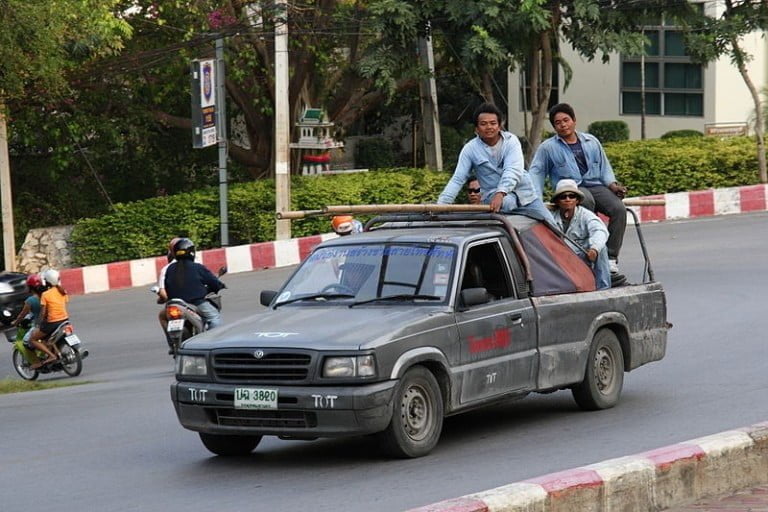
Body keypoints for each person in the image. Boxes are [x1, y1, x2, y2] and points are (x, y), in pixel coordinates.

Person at [529, 103, 627, 274]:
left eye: (566, 120)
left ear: (574, 121)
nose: (563, 125)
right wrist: (535, 198)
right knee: (586, 201)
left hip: (595, 184)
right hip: (570, 188)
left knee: (619, 209)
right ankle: (586, 254)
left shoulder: (591, 141)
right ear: (554, 127)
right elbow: (536, 172)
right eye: (558, 123)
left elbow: (605, 169)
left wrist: (613, 185)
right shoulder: (548, 147)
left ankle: (610, 257)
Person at [437, 103, 552, 221]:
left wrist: (501, 193)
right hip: (493, 198)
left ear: (499, 126)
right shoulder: (470, 149)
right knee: (507, 204)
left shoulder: (511, 141)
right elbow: (457, 179)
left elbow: (512, 170)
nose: (489, 127)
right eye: (483, 124)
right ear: (476, 129)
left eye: (493, 123)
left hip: (525, 195)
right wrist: (441, 206)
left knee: (550, 224)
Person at [550, 180, 611, 290]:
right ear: (558, 201)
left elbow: (600, 230)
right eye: (563, 197)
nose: (567, 199)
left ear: (577, 200)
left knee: (602, 249)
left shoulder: (586, 215)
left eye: (571, 196)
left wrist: (594, 249)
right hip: (559, 258)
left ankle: (603, 288)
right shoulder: (551, 217)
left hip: (581, 256)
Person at [164, 238, 225, 329]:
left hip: (175, 304)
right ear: (192, 252)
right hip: (196, 302)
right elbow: (213, 282)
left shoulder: (170, 268)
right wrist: (218, 286)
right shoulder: (197, 267)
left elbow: (167, 287)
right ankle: (213, 341)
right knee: (214, 317)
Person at [27, 268, 69, 369]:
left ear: (46, 281)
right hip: (65, 320)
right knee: (48, 338)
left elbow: (43, 312)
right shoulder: (63, 291)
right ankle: (53, 351)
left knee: (32, 339)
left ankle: (51, 356)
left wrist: (39, 324)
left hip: (52, 322)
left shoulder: (45, 294)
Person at [11, 274, 49, 361]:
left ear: (30, 287)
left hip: (39, 326)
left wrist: (15, 322)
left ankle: (37, 361)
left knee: (26, 342)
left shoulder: (30, 301)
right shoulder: (47, 295)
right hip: (52, 322)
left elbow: (22, 315)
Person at [157, 237, 181, 333]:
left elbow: (163, 294)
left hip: (175, 304)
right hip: (195, 303)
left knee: (162, 316)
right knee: (212, 317)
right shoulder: (196, 264)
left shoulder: (166, 269)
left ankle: (171, 343)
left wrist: (162, 299)